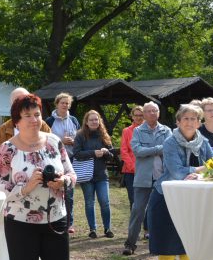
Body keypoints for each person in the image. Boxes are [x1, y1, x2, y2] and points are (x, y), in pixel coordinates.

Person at [0, 94, 75, 260]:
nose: (33, 119)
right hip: (20, 226)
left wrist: (64, 182)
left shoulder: (53, 141)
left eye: (37, 114)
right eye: (27, 115)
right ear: (16, 121)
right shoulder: (7, 149)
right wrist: (26, 187)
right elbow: (0, 190)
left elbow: (72, 173)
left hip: (56, 222)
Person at [148, 104, 213, 260]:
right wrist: (203, 169)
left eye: (194, 118)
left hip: (189, 205)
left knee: (189, 259)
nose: (189, 122)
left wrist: (207, 169)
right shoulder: (169, 142)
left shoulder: (203, 143)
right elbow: (176, 172)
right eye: (185, 118)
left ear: (199, 122)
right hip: (165, 202)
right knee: (167, 259)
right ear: (177, 122)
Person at [123, 102, 170, 256]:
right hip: (143, 178)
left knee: (162, 211)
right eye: (148, 111)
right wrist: (158, 149)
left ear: (158, 113)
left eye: (154, 111)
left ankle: (161, 244)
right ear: (143, 114)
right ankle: (130, 244)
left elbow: (170, 149)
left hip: (162, 178)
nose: (152, 113)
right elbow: (137, 151)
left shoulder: (166, 130)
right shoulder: (137, 131)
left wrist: (150, 151)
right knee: (137, 211)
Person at [72, 110, 114, 239]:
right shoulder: (80, 136)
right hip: (87, 175)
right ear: (86, 122)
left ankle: (107, 228)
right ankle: (92, 229)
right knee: (89, 202)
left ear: (99, 121)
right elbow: (76, 154)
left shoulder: (104, 135)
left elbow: (112, 156)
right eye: (91, 120)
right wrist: (93, 153)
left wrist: (106, 152)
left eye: (96, 119)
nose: (94, 122)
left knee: (105, 202)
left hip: (101, 175)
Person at [45, 93, 79, 235]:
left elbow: (80, 137)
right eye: (62, 103)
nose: (65, 105)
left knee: (69, 192)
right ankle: (52, 219)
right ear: (57, 104)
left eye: (67, 103)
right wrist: (61, 140)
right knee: (54, 190)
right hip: (54, 160)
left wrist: (74, 141)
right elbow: (45, 138)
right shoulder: (49, 120)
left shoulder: (74, 120)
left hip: (70, 159)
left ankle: (69, 223)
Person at [120, 106, 144, 208]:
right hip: (130, 171)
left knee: (145, 200)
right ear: (132, 117)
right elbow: (124, 151)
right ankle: (135, 224)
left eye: (141, 115)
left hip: (145, 170)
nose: (138, 118)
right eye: (136, 115)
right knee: (133, 200)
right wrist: (133, 167)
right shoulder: (127, 131)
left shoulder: (148, 130)